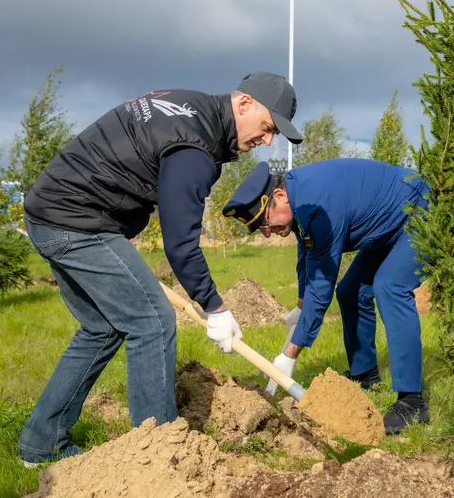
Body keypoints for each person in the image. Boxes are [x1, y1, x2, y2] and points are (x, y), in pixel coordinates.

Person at [16, 72, 303, 466]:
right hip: (76, 220)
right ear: (244, 104)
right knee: (151, 320)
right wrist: (214, 306)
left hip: (50, 213)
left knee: (102, 328)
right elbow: (180, 244)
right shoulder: (195, 147)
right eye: (268, 128)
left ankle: (41, 443)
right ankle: (161, 458)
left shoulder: (191, 107)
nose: (266, 140)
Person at [221, 157, 431, 435]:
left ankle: (412, 402)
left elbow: (321, 287)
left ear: (279, 196)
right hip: (387, 226)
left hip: (419, 212)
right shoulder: (299, 199)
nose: (269, 234)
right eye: (262, 230)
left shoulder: (320, 207)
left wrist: (290, 353)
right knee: (349, 291)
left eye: (266, 223)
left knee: (389, 286)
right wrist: (299, 303)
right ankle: (365, 375)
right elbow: (305, 248)